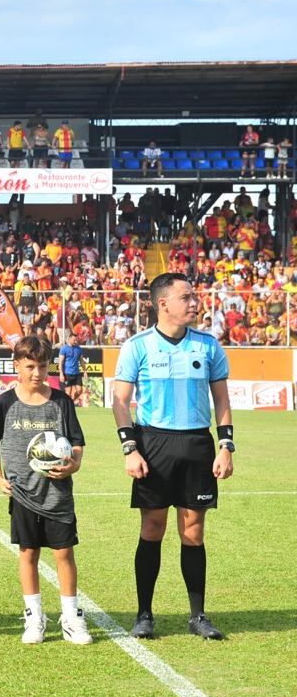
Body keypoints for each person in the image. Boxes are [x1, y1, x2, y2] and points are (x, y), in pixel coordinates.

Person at [112, 272, 233, 640]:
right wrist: (129, 447)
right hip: (153, 444)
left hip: (197, 445)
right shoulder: (137, 346)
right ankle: (144, 614)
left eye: (194, 296)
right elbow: (119, 401)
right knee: (152, 528)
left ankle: (198, 616)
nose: (194, 302)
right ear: (163, 303)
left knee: (193, 532)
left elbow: (222, 400)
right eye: (186, 296)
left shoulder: (208, 346)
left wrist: (226, 445)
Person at [0, 335, 91, 645]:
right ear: (16, 366)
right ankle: (34, 617)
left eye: (42, 366)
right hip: (23, 493)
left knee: (64, 553)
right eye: (29, 366)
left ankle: (71, 617)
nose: (36, 373)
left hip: (57, 494)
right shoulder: (5, 402)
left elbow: (77, 443)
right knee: (28, 553)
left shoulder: (61, 402)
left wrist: (74, 465)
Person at [58, 332, 85, 406]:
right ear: (69, 339)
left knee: (79, 390)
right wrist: (61, 374)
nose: (75, 342)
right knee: (68, 393)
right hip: (67, 373)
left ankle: (71, 401)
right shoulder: (64, 349)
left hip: (77, 373)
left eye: (76, 340)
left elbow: (82, 361)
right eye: (74, 340)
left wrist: (85, 371)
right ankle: (66, 406)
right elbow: (60, 362)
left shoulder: (79, 349)